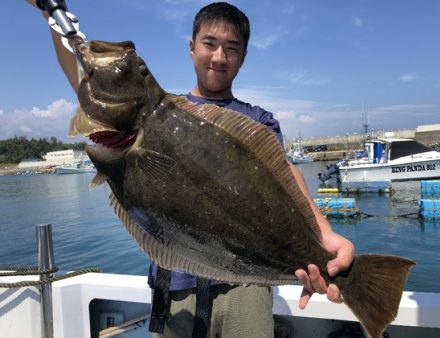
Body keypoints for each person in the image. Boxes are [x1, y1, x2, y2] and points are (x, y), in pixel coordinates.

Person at [27, 1, 355, 337]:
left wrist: (324, 236)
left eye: (231, 48)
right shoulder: (154, 112)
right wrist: (50, 15)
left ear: (242, 57)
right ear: (191, 47)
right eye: (209, 44)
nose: (218, 57)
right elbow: (84, 78)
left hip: (246, 288)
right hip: (176, 289)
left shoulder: (258, 121)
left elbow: (288, 178)